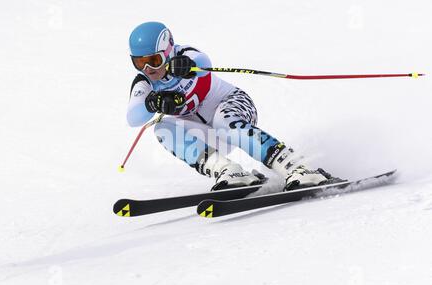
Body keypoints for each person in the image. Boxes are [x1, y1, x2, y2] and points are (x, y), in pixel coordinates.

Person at [127, 21, 340, 191]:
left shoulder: (185, 55)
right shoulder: (144, 83)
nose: (147, 68)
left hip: (235, 107)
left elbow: (203, 61)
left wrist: (186, 67)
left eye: (154, 60)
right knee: (162, 129)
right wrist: (151, 102)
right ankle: (229, 172)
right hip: (209, 135)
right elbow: (133, 117)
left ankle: (296, 168)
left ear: (168, 50)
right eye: (139, 62)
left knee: (222, 120)